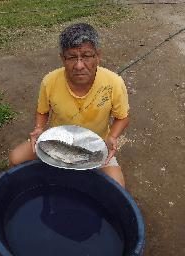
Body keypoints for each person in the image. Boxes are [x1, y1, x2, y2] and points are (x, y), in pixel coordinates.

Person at [9, 23, 129, 188]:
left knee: (117, 187)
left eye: (86, 56)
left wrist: (112, 137)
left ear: (98, 56)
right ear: (62, 58)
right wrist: (38, 128)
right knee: (15, 158)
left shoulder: (114, 82)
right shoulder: (50, 81)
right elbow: (42, 111)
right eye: (72, 57)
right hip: (57, 141)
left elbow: (122, 117)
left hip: (96, 144)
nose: (79, 65)